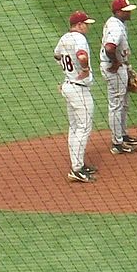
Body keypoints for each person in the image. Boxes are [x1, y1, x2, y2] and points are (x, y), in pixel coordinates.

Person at [54, 11, 98, 183]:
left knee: (74, 127)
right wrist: (84, 70)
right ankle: (77, 169)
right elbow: (81, 56)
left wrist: (68, 71)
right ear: (79, 25)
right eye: (85, 24)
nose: (87, 26)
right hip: (79, 89)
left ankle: (77, 164)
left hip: (68, 86)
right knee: (84, 127)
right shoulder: (79, 39)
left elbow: (57, 55)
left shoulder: (64, 38)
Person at [100, 0, 137, 155]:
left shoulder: (116, 23)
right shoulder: (116, 27)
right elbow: (109, 47)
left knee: (123, 104)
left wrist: (126, 66)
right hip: (114, 69)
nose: (129, 13)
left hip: (119, 67)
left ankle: (123, 135)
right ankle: (117, 143)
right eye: (126, 11)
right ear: (118, 12)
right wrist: (116, 62)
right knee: (116, 105)